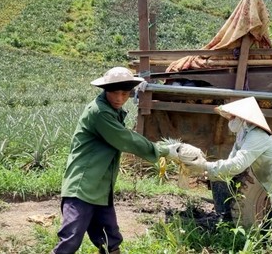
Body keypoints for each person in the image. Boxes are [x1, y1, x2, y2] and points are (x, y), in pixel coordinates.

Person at [52, 66, 179, 254]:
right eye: (115, 93)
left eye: (125, 93)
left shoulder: (113, 111)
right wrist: (162, 151)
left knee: (110, 239)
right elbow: (125, 140)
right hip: (83, 186)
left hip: (101, 187)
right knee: (71, 240)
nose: (120, 98)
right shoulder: (100, 112)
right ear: (106, 90)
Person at [182, 96, 272, 235]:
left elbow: (237, 165)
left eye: (233, 117)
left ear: (243, 118)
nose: (230, 121)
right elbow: (230, 165)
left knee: (268, 233)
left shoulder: (256, 135)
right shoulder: (242, 137)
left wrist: (205, 165)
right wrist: (208, 171)